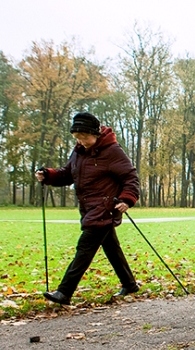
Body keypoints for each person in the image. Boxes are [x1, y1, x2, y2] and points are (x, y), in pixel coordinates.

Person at [37, 112, 140, 305]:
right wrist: (48, 175)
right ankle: (130, 284)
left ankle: (64, 292)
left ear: (95, 133)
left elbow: (130, 177)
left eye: (84, 137)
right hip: (88, 208)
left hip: (105, 207)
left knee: (84, 249)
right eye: (77, 138)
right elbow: (68, 174)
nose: (81, 141)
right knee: (111, 247)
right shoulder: (79, 152)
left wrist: (127, 199)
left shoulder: (112, 151)